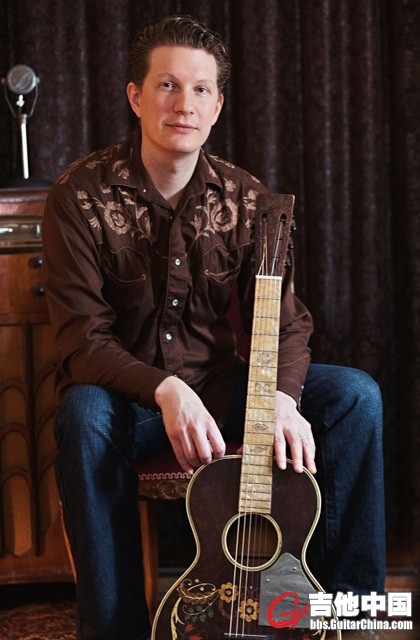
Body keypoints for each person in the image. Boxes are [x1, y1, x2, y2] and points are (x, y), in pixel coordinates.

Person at [42, 15, 385, 640]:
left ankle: (347, 617)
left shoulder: (248, 200)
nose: (184, 104)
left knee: (355, 396)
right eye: (167, 85)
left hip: (225, 390)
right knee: (81, 414)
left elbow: (288, 322)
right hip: (128, 403)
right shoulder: (79, 196)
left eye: (201, 89)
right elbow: (80, 339)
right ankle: (115, 629)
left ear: (218, 105)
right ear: (135, 96)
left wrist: (280, 397)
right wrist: (165, 390)